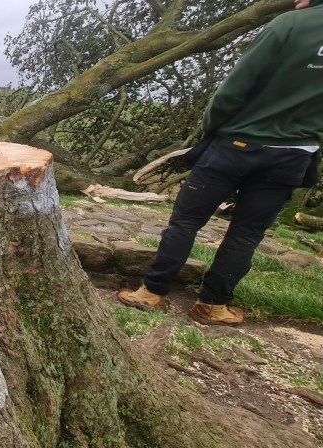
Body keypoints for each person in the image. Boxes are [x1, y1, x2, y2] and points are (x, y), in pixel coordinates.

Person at [117, 0, 323, 326]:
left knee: (186, 222)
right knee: (246, 235)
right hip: (293, 156)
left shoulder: (289, 25)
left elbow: (235, 87)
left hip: (237, 144)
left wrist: (212, 129)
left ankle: (150, 293)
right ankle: (212, 306)